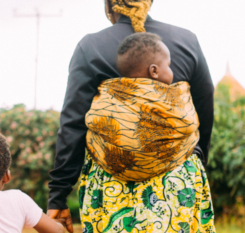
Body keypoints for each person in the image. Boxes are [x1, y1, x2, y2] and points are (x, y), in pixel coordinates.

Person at [48, 0, 231, 233]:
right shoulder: (186, 41)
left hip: (112, 185)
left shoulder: (90, 47)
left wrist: (58, 194)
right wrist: (193, 164)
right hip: (179, 181)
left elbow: (73, 124)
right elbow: (205, 111)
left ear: (107, 2)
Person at [85, 32, 200, 182]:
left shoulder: (109, 95)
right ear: (154, 71)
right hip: (168, 178)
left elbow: (94, 118)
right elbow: (188, 122)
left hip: (115, 178)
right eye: (168, 65)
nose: (171, 71)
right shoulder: (174, 98)